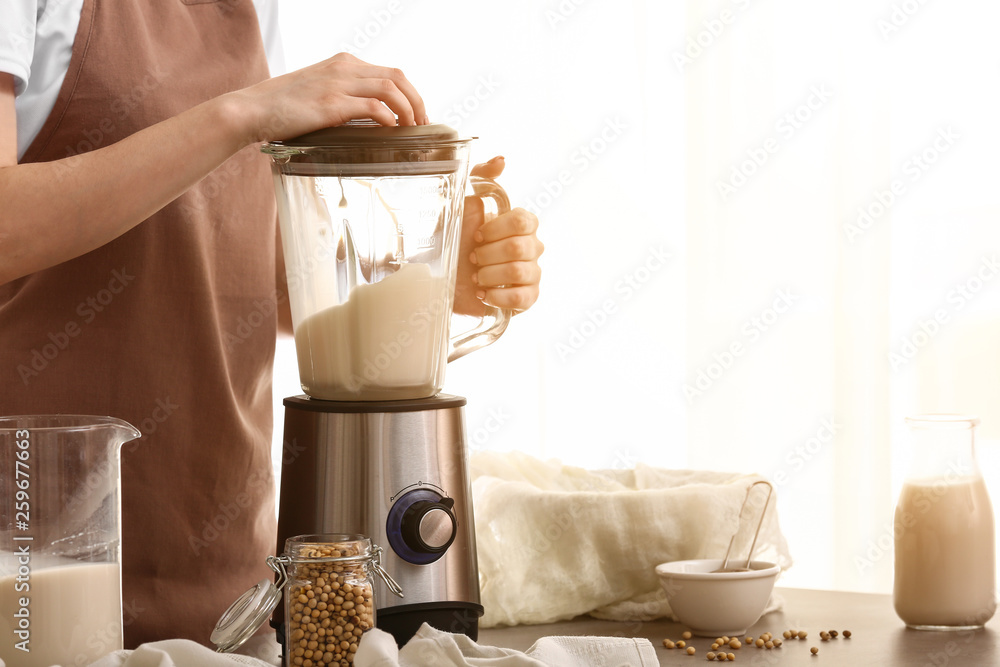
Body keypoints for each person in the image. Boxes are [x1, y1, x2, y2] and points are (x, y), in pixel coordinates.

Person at [0, 0, 543, 647]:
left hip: (232, 592)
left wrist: (432, 281)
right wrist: (241, 113)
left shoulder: (253, 10)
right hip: (39, 571)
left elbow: (248, 272)